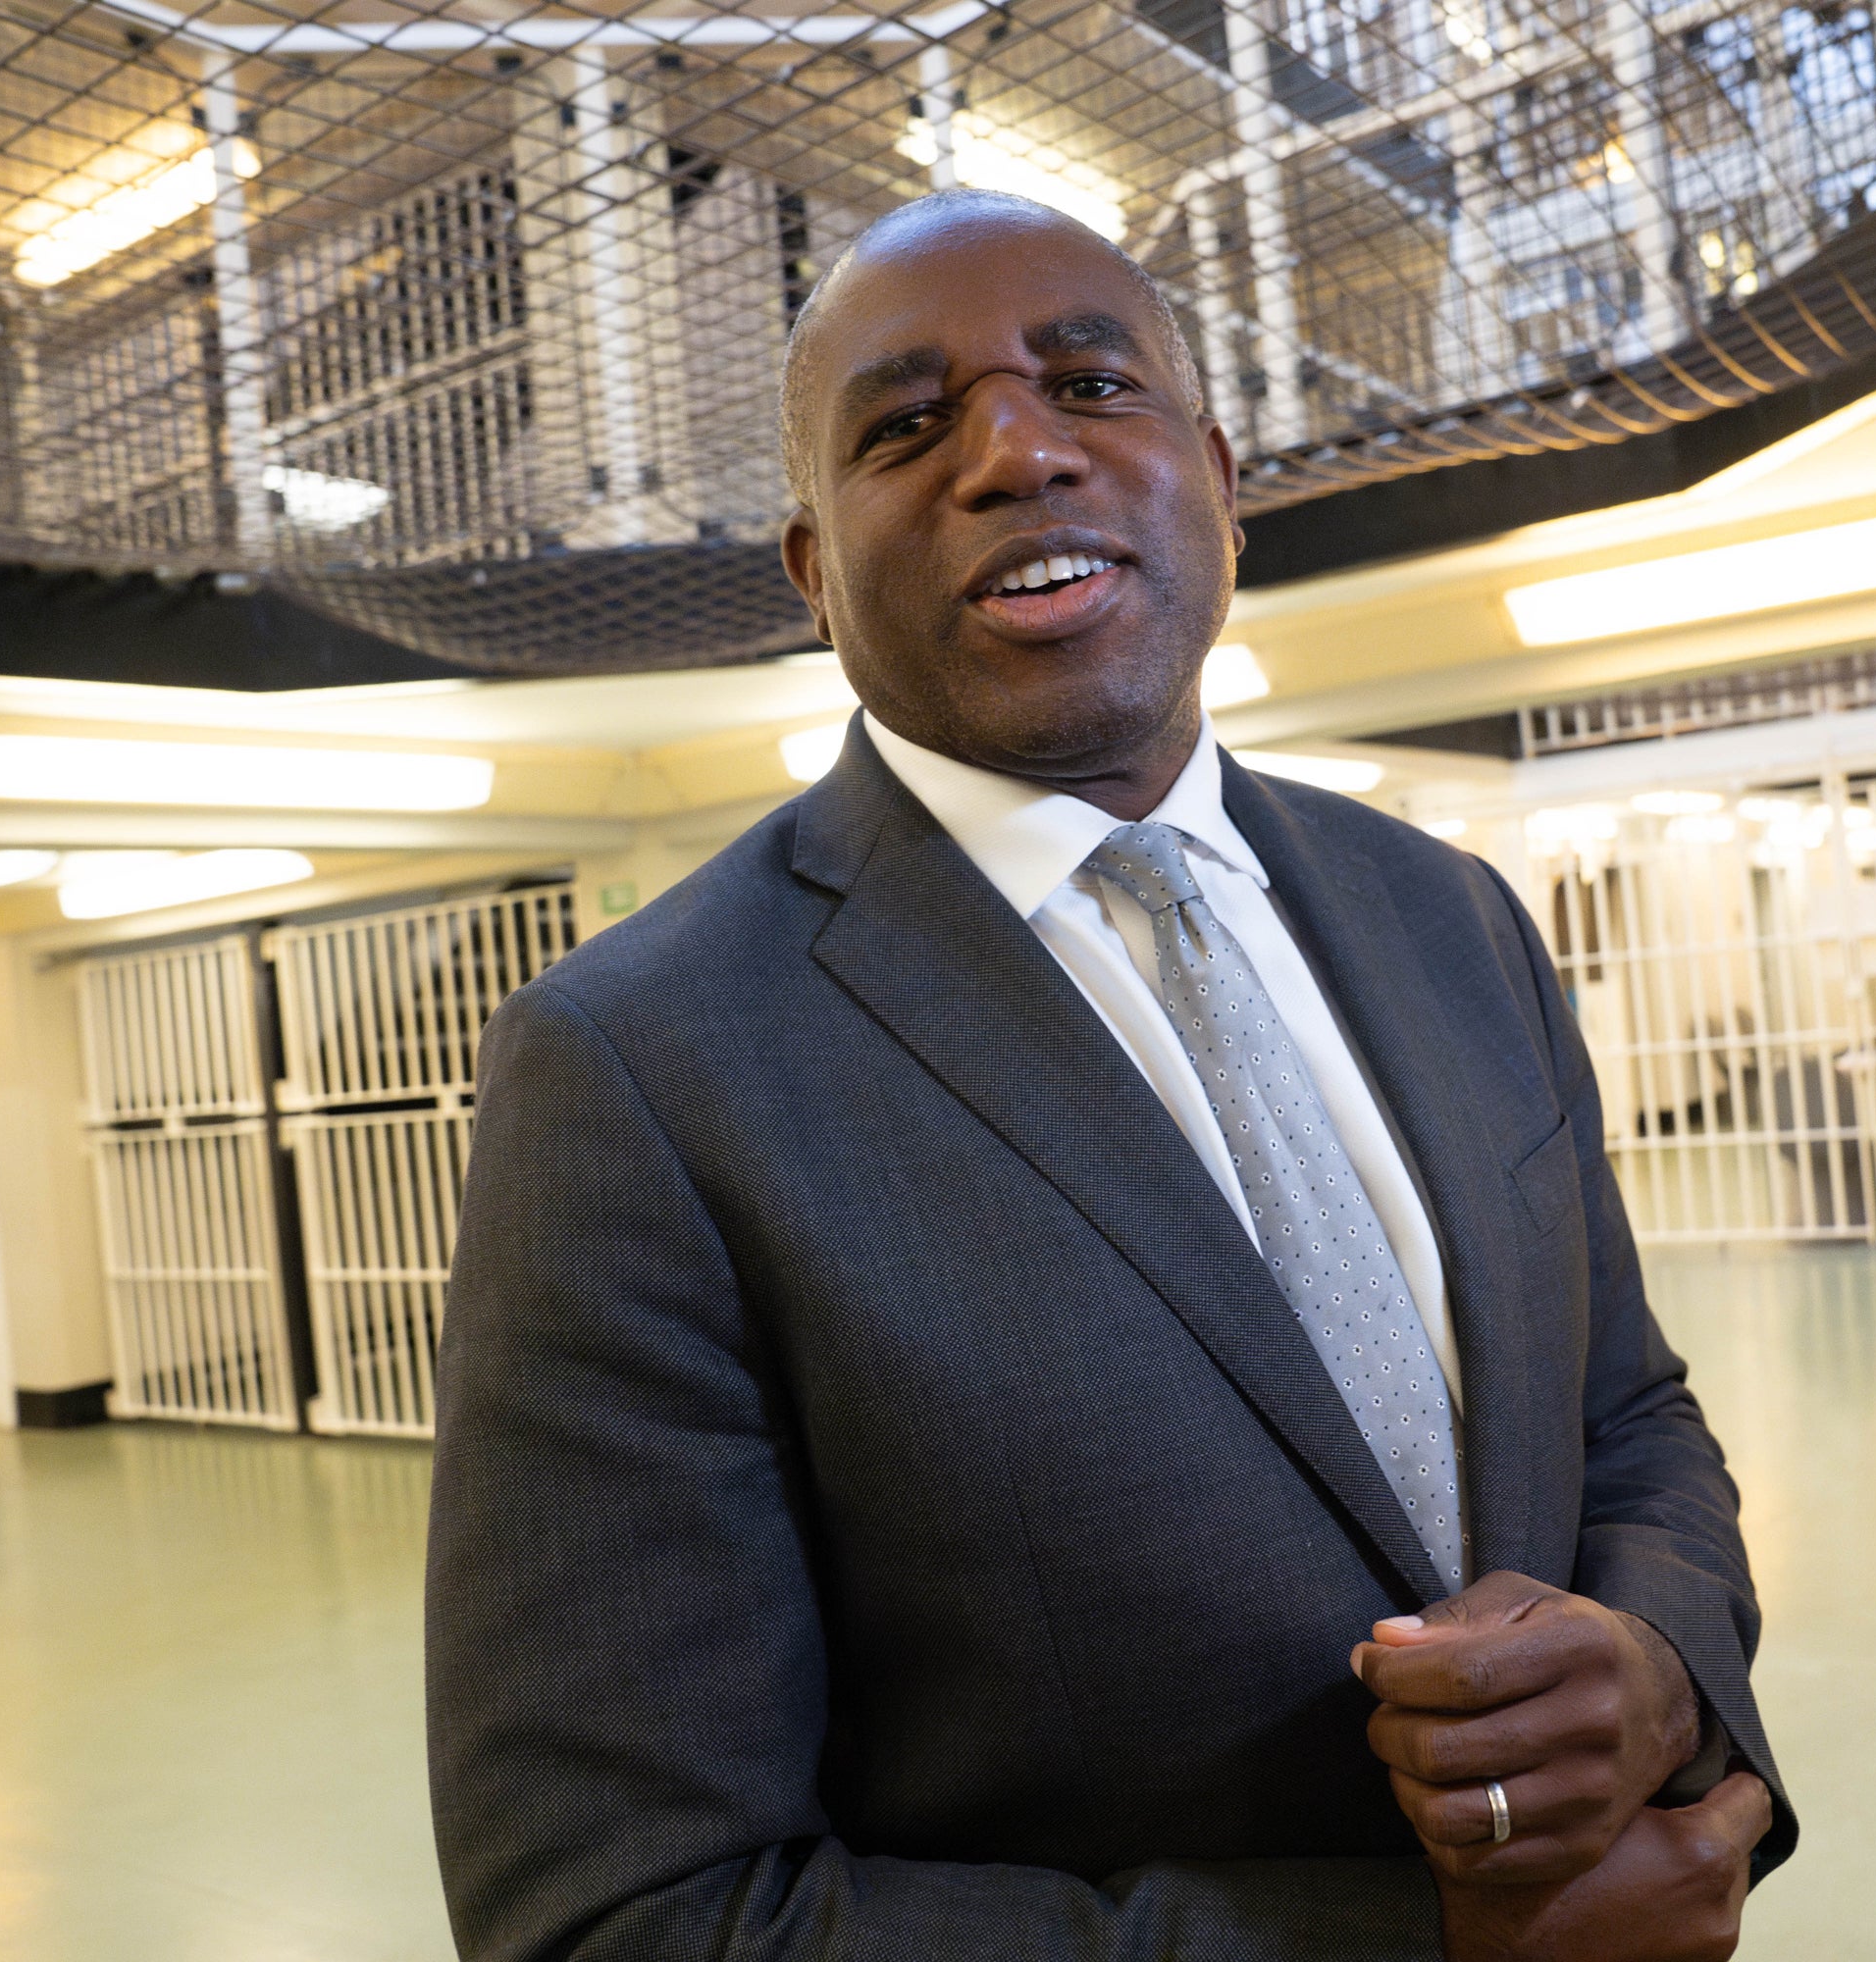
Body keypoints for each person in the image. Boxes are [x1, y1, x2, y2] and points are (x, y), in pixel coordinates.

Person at [427, 188, 1794, 1962]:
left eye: (1092, 381)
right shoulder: (641, 1067)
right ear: (814, 574)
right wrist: (1419, 1949)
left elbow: (1623, 1417)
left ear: (1217, 480)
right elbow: (618, 1913)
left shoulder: (1449, 918)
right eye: (907, 428)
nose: (1016, 450)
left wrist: (1661, 1671)